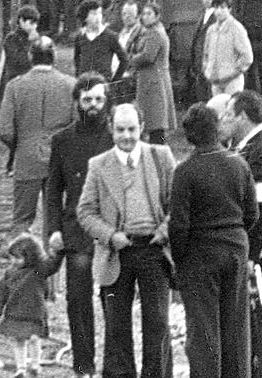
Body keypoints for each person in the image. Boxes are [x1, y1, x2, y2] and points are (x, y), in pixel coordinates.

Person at [76, 103, 175, 378]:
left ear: (142, 128)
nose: (127, 136)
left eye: (132, 129)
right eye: (120, 130)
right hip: (118, 253)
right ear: (111, 129)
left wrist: (165, 231)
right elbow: (85, 212)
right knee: (116, 324)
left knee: (158, 323)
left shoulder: (161, 157)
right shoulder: (98, 165)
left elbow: (178, 204)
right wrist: (110, 235)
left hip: (154, 249)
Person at [37, 73, 116, 377]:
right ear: (77, 102)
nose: (93, 106)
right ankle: (84, 365)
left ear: (106, 101)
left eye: (98, 99)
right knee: (77, 299)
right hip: (76, 229)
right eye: (87, 100)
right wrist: (53, 229)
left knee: (112, 298)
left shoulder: (115, 137)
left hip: (111, 228)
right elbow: (54, 190)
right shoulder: (63, 140)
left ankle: (114, 364)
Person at [168, 103, 254, 378]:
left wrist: (178, 261)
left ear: (189, 135)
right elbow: (251, 213)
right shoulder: (239, 163)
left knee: (204, 331)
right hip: (235, 248)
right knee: (236, 328)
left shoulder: (185, 171)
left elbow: (178, 226)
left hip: (200, 254)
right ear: (216, 129)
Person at [0, 37, 76, 232]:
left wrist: (18, 146)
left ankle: (22, 260)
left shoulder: (15, 86)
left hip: (26, 159)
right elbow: (76, 125)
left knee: (22, 219)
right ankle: (51, 259)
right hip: (60, 161)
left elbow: (3, 129)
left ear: (30, 56)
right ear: (53, 57)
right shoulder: (71, 85)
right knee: (56, 218)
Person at [0, 233, 58, 378]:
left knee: (34, 339)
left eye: (18, 258)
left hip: (35, 313)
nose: (14, 261)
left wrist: (57, 252)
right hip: (15, 312)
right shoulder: (10, 273)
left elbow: (52, 266)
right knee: (18, 340)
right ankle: (20, 368)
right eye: (12, 257)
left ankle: (35, 364)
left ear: (30, 257)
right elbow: (1, 292)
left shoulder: (38, 271)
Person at [127, 3, 177, 145]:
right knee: (155, 121)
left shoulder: (154, 33)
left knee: (156, 122)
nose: (145, 17)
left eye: (149, 14)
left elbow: (148, 56)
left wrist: (131, 58)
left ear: (157, 16)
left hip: (153, 82)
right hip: (153, 80)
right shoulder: (149, 31)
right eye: (143, 14)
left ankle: (159, 152)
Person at [200, 0, 252, 96]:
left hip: (232, 82)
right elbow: (206, 54)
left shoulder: (236, 28)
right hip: (215, 81)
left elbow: (247, 57)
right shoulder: (211, 30)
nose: (219, 11)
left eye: (223, 7)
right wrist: (207, 70)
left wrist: (233, 72)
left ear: (229, 9)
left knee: (231, 108)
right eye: (216, 7)